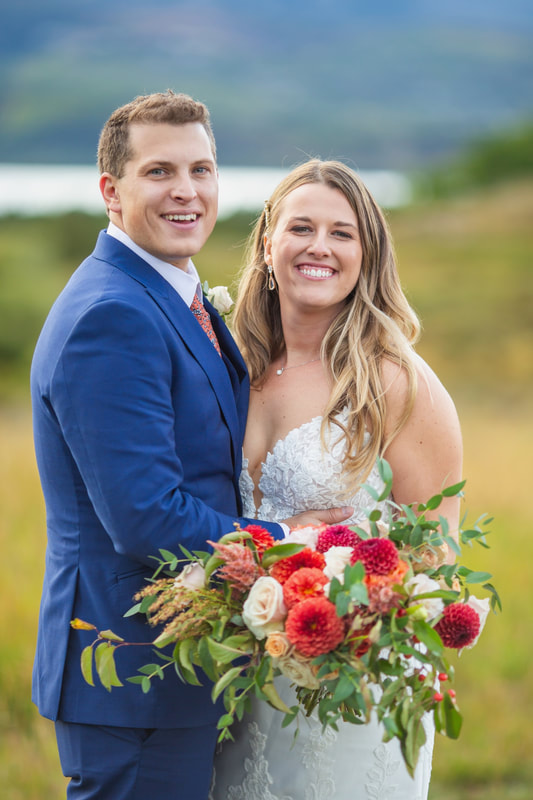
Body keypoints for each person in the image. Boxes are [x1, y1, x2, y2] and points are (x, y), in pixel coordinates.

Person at [30, 94, 351, 800]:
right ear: (112, 192)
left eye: (201, 169)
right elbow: (146, 516)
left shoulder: (175, 295)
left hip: (182, 664)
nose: (187, 191)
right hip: (130, 664)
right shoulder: (111, 315)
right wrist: (287, 541)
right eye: (159, 171)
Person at [210, 159, 463, 799]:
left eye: (342, 233)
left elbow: (438, 552)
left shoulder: (396, 383)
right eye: (301, 227)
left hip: (351, 685)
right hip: (243, 679)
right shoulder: (232, 366)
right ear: (268, 243)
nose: (319, 247)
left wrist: (336, 568)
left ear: (367, 255)